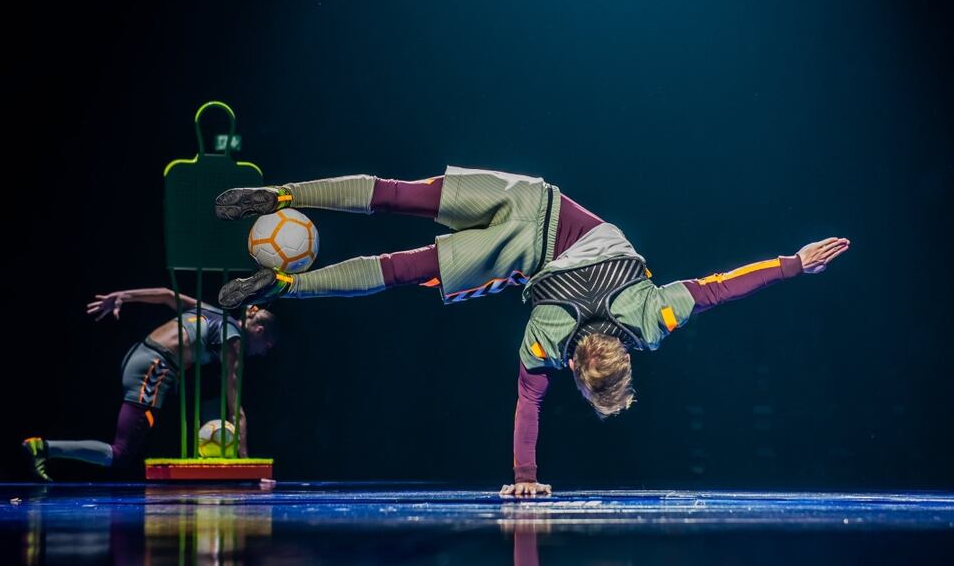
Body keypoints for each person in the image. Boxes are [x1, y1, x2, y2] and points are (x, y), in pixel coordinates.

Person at [214, 168, 849, 496]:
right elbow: (529, 400)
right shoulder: (545, 339)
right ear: (582, 370)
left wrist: (795, 262)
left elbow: (721, 286)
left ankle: (284, 194)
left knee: (399, 196)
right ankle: (286, 285)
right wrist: (523, 474)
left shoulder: (652, 315)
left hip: (532, 198)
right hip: (517, 253)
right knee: (405, 271)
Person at [21, 288, 277, 481]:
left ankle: (45, 448)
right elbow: (236, 409)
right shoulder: (233, 342)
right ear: (259, 331)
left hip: (140, 356)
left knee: (128, 447)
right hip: (154, 369)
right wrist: (248, 467)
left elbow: (167, 295)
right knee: (121, 453)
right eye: (266, 349)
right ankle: (43, 448)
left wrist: (123, 295)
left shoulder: (214, 313)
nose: (261, 355)